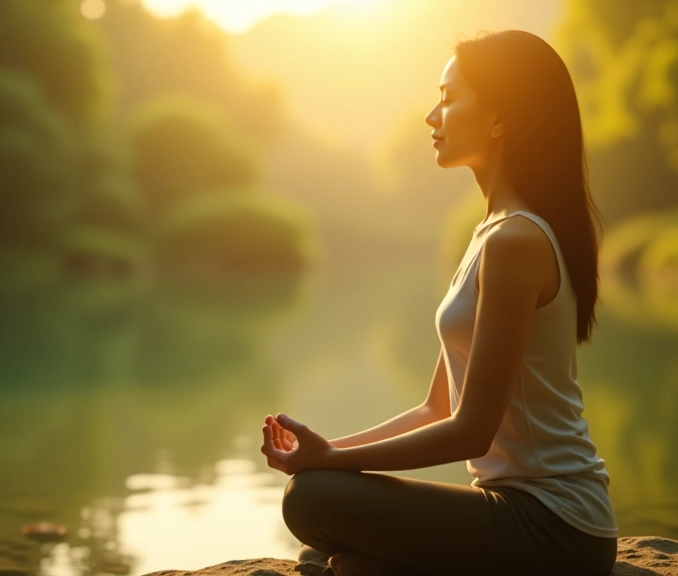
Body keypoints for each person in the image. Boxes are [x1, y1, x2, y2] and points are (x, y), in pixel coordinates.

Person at [258, 29, 619, 576]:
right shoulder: (490, 234)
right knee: (317, 509)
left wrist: (329, 464)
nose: (432, 115)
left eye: (449, 99)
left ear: (499, 118)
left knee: (311, 502)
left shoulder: (516, 241)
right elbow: (438, 407)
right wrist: (327, 450)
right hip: (526, 515)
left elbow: (471, 429)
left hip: (557, 525)